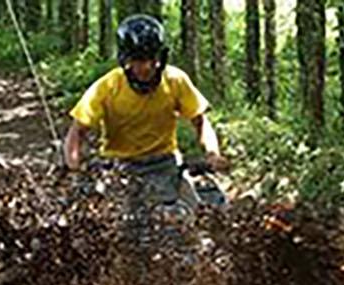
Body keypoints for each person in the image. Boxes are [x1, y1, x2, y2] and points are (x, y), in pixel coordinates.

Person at [63, 14, 229, 213]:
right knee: (111, 220)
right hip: (119, 166)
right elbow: (77, 131)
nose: (147, 67)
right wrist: (74, 166)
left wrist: (212, 153)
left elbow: (200, 121)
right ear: (126, 60)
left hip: (165, 163)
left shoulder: (175, 80)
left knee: (200, 213)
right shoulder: (106, 87)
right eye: (138, 60)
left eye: (152, 59)